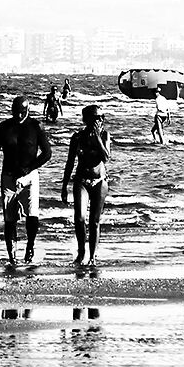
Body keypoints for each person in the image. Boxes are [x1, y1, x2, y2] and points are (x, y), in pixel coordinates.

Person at [0, 95, 54, 270]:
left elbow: (47, 153)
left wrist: (29, 168)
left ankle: (30, 246)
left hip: (30, 176)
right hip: (8, 176)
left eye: (22, 113)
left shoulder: (35, 127)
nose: (19, 116)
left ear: (28, 110)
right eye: (15, 112)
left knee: (32, 215)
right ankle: (12, 256)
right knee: (9, 219)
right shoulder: (3, 128)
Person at [60, 104, 113, 271]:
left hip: (99, 181)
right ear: (87, 120)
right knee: (80, 218)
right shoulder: (77, 137)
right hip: (81, 180)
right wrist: (64, 185)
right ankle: (81, 252)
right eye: (96, 118)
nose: (100, 121)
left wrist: (97, 137)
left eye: (101, 118)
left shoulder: (104, 135)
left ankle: (92, 257)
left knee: (94, 221)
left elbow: (106, 157)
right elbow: (70, 163)